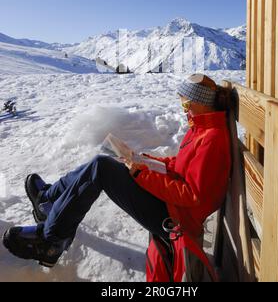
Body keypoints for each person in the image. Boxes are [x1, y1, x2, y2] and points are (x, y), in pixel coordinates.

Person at [2, 73, 232, 274]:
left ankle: (50, 242)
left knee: (102, 168)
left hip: (174, 218)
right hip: (170, 205)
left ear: (199, 103)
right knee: (103, 163)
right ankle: (49, 198)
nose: (182, 107)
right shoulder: (201, 128)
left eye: (184, 102)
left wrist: (142, 174)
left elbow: (193, 195)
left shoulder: (211, 139)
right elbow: (181, 165)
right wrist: (145, 160)